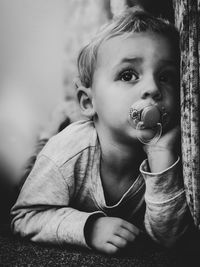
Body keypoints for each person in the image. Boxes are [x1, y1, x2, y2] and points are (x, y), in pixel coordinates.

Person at [11, 9, 191, 255]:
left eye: (165, 76)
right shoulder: (66, 153)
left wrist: (161, 157)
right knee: (27, 171)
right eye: (128, 75)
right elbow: (25, 215)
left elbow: (170, 238)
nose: (152, 88)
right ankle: (53, 128)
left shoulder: (174, 151)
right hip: (52, 161)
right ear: (88, 102)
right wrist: (89, 226)